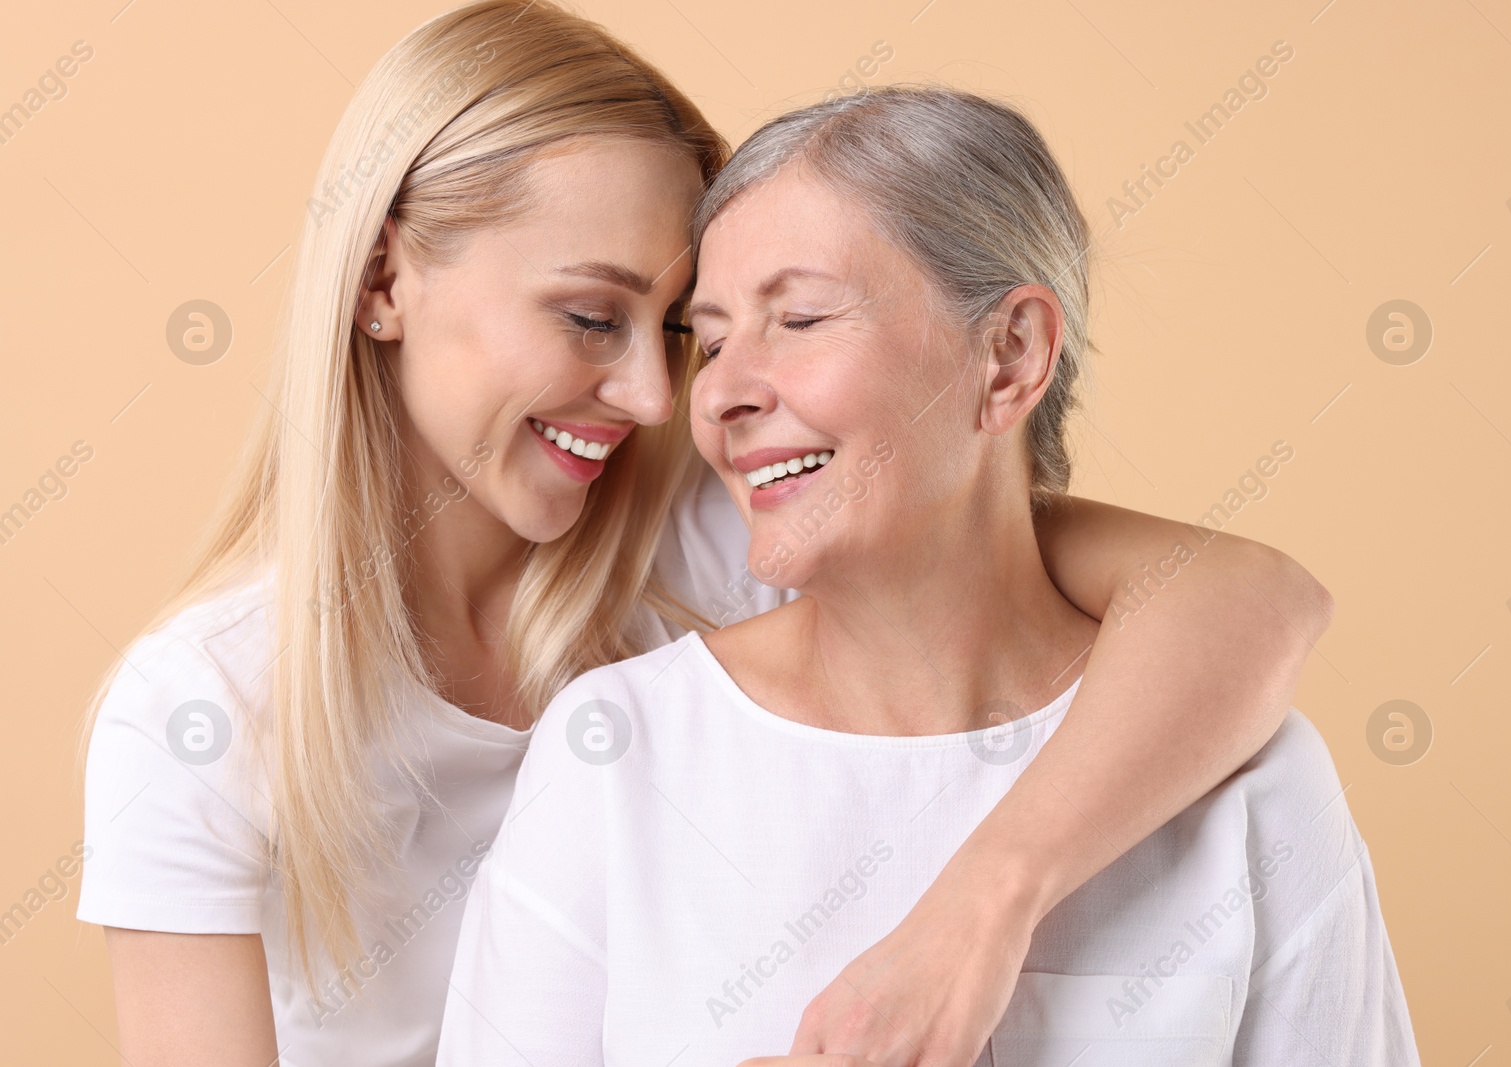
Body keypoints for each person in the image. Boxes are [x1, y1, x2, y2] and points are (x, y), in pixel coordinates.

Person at [77, 6, 1331, 1067]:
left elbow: (1246, 596)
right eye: (586, 315)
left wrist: (978, 911)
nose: (654, 397)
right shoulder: (206, 707)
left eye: (679, 328)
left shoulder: (718, 542)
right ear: (382, 281)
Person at [436, 85, 1416, 1066]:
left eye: (802, 316)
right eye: (717, 338)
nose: (722, 393)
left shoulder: (1247, 778)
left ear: (1007, 357)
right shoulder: (618, 755)